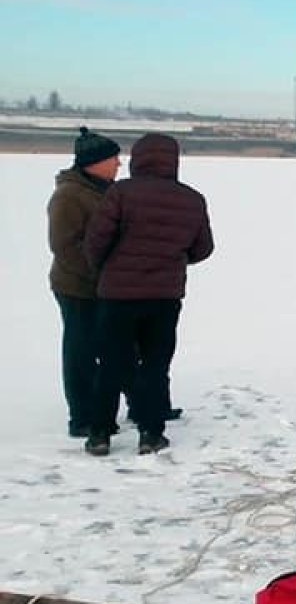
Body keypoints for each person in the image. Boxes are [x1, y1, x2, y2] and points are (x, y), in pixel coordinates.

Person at [82, 132, 214, 456]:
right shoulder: (192, 199)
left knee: (111, 364)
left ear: (138, 159)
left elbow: (96, 241)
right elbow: (203, 248)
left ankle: (99, 433)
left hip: (117, 296)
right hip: (164, 297)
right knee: (155, 364)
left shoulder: (120, 193)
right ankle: (151, 433)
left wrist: (107, 267)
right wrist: (172, 258)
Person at [48, 127, 121, 438]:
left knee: (109, 349)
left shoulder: (105, 190)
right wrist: (100, 274)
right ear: (94, 162)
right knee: (80, 352)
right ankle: (81, 418)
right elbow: (65, 247)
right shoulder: (69, 196)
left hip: (105, 287)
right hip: (77, 288)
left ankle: (102, 412)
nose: (119, 164)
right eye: (113, 159)